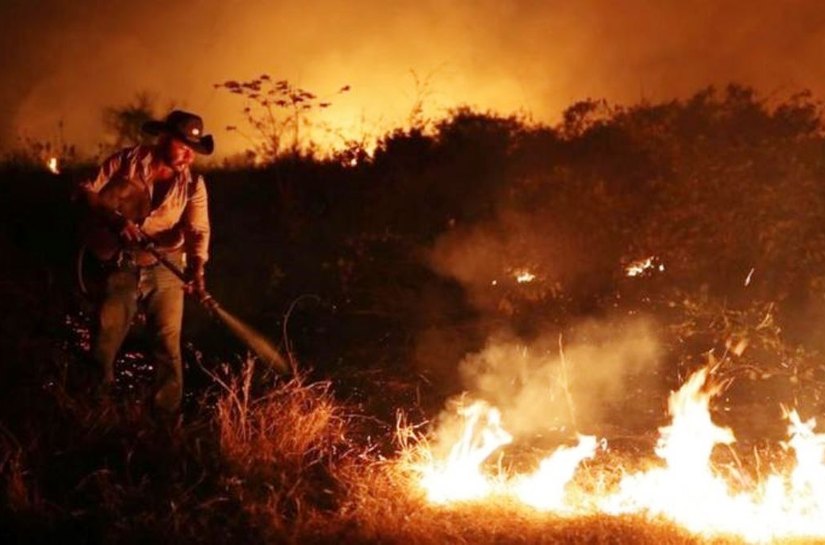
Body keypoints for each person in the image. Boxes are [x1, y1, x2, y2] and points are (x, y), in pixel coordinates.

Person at [78, 110, 213, 416]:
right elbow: (86, 190)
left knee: (167, 343)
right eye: (183, 147)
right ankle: (94, 408)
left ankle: (165, 417)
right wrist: (115, 220)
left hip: (166, 264)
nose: (189, 156)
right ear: (163, 139)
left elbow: (198, 230)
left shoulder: (194, 183)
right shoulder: (126, 161)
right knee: (106, 334)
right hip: (122, 260)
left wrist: (197, 270)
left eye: (193, 150)